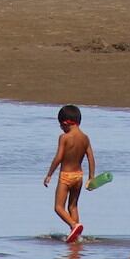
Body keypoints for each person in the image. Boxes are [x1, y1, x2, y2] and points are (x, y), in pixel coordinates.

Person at [43, 104, 94, 242]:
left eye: (61, 125)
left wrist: (49, 174)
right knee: (73, 206)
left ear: (65, 123)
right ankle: (75, 235)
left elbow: (59, 157)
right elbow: (91, 158)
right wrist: (91, 177)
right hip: (79, 176)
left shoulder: (64, 137)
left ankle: (73, 225)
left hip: (66, 175)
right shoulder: (85, 138)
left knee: (58, 207)